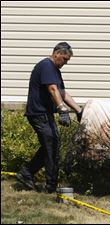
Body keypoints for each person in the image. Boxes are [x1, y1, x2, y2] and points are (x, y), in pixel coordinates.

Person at [16, 42, 83, 193]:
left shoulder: (54, 70)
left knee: (51, 145)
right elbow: (52, 89)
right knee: (51, 146)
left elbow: (62, 92)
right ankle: (51, 187)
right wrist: (62, 110)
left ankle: (26, 173)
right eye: (65, 59)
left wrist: (79, 111)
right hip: (39, 114)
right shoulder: (47, 66)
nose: (65, 63)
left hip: (44, 114)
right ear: (56, 53)